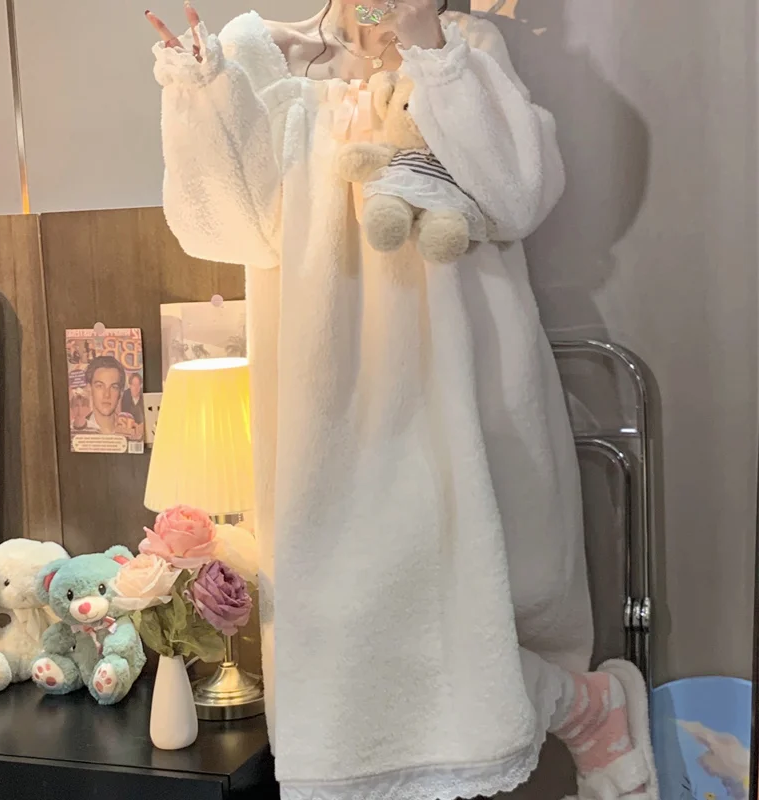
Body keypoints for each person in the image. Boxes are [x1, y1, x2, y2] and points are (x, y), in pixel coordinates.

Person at [146, 3, 659, 799]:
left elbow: (518, 195)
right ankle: (587, 707)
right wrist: (201, 90)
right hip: (327, 402)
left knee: (476, 599)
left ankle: (582, 709)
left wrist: (429, 46)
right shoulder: (261, 60)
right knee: (346, 624)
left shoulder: (462, 46)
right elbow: (229, 229)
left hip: (464, 384)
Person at [83, 356, 125, 434]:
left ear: (121, 392)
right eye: (100, 386)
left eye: (114, 387)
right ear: (89, 388)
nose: (107, 395)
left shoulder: (130, 432)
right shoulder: (77, 431)